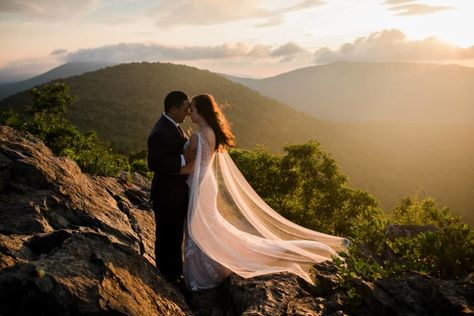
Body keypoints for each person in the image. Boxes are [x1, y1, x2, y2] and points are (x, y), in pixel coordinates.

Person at [181, 94, 348, 292]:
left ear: (201, 111)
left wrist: (171, 165)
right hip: (207, 185)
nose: (189, 112)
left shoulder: (197, 136)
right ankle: (216, 264)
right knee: (209, 227)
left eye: (192, 108)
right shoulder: (212, 132)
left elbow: (190, 167)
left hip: (199, 185)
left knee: (199, 227)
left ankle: (207, 273)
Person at [147, 91, 195, 286]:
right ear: (173, 109)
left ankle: (174, 273)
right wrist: (185, 159)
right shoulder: (160, 131)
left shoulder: (173, 127)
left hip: (174, 194)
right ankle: (167, 275)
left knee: (174, 236)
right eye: (185, 109)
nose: (188, 113)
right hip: (166, 195)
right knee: (166, 236)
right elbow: (154, 163)